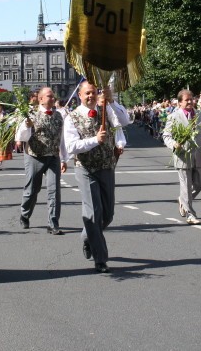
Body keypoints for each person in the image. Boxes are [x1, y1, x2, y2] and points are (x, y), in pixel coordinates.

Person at [63, 81, 131, 273]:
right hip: (85, 168)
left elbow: (123, 122)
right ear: (80, 96)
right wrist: (95, 140)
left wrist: (112, 100)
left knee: (107, 215)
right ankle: (100, 259)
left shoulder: (106, 110)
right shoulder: (72, 117)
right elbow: (71, 147)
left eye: (93, 93)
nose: (90, 96)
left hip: (107, 167)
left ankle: (87, 236)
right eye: (87, 94)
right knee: (93, 213)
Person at [16, 87, 68, 234]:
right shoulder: (31, 115)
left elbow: (62, 138)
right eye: (49, 97)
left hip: (53, 157)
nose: (52, 99)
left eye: (53, 96)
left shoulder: (59, 116)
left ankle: (53, 223)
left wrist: (64, 158)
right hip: (35, 156)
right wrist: (26, 126)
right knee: (32, 189)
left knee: (54, 190)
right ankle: (25, 214)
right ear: (40, 99)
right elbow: (21, 136)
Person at [163, 89, 201, 225]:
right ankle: (190, 214)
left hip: (198, 155)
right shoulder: (173, 116)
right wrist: (174, 144)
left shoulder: (200, 115)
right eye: (186, 100)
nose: (189, 102)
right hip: (182, 157)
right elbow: (166, 135)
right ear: (180, 102)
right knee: (186, 187)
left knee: (200, 184)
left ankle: (183, 200)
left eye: (191, 99)